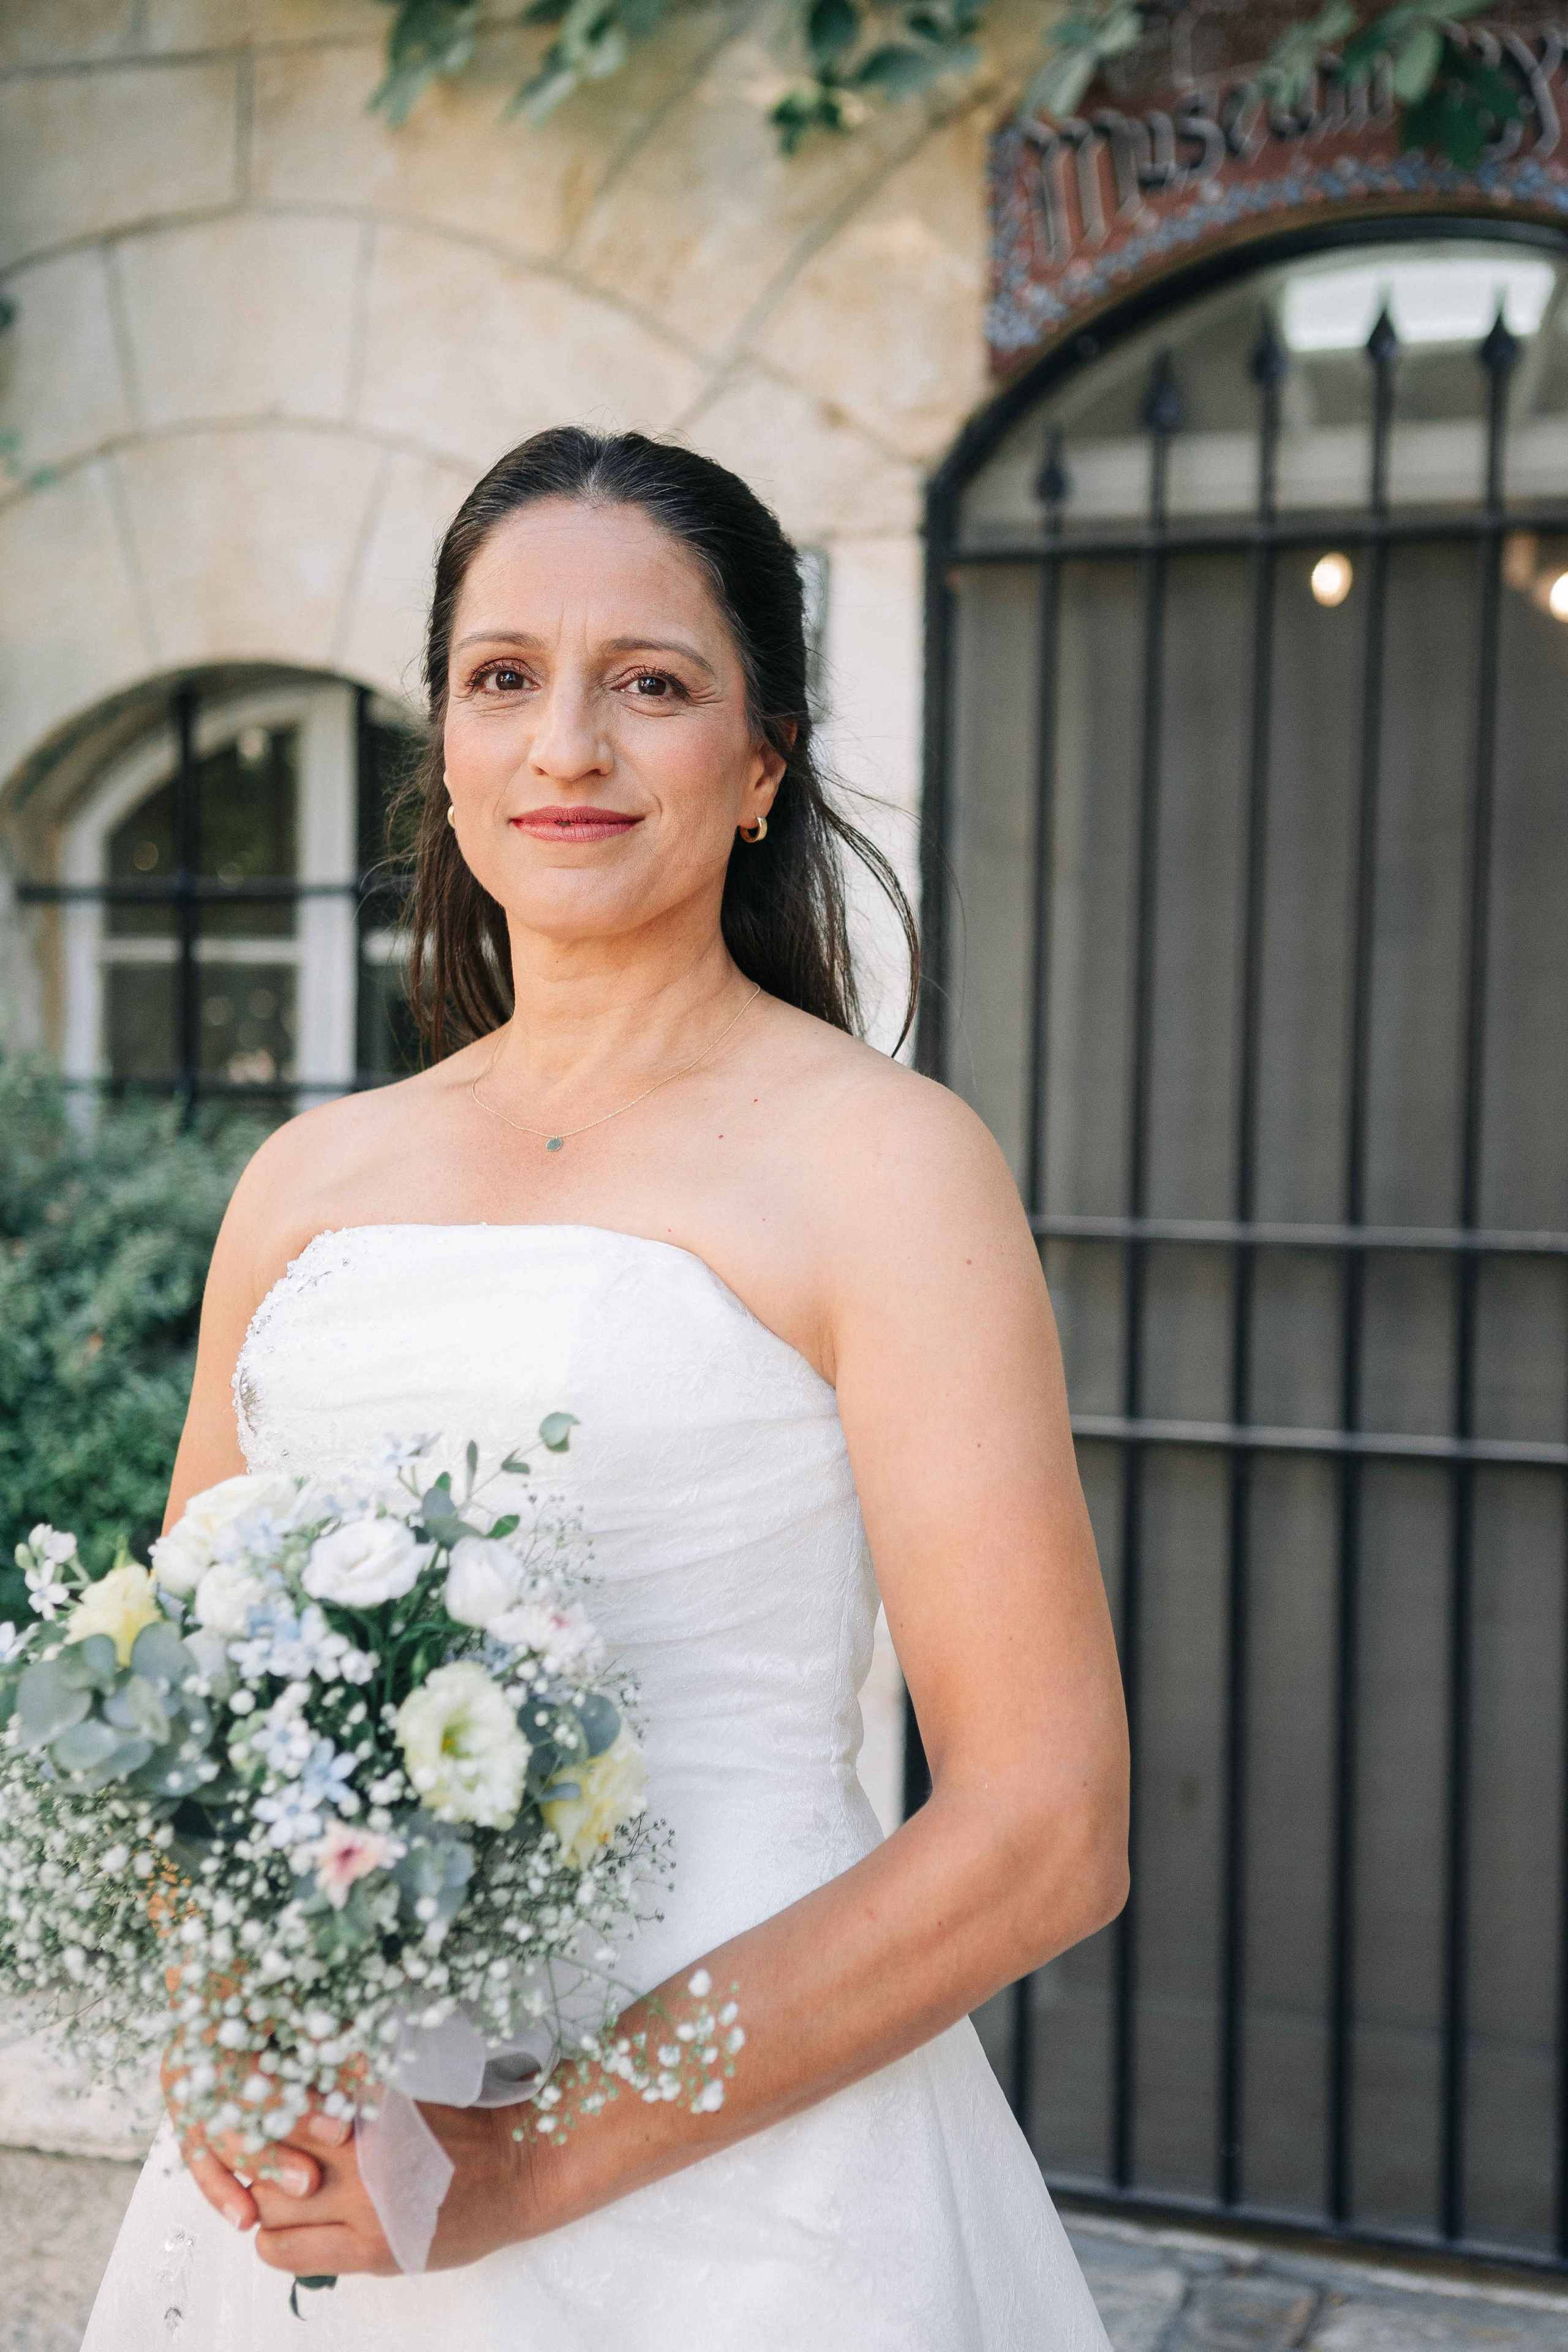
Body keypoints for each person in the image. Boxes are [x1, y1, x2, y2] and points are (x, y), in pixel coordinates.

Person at [83, 428, 1128, 2350]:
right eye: (505, 679)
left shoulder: (886, 1166)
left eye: (648, 684)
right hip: (327, 2162)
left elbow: (1047, 1825)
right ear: (446, 749)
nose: (565, 746)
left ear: (763, 762)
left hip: (752, 2194)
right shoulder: (305, 1181)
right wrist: (235, 2028)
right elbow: (176, 1709)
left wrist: (519, 2166)